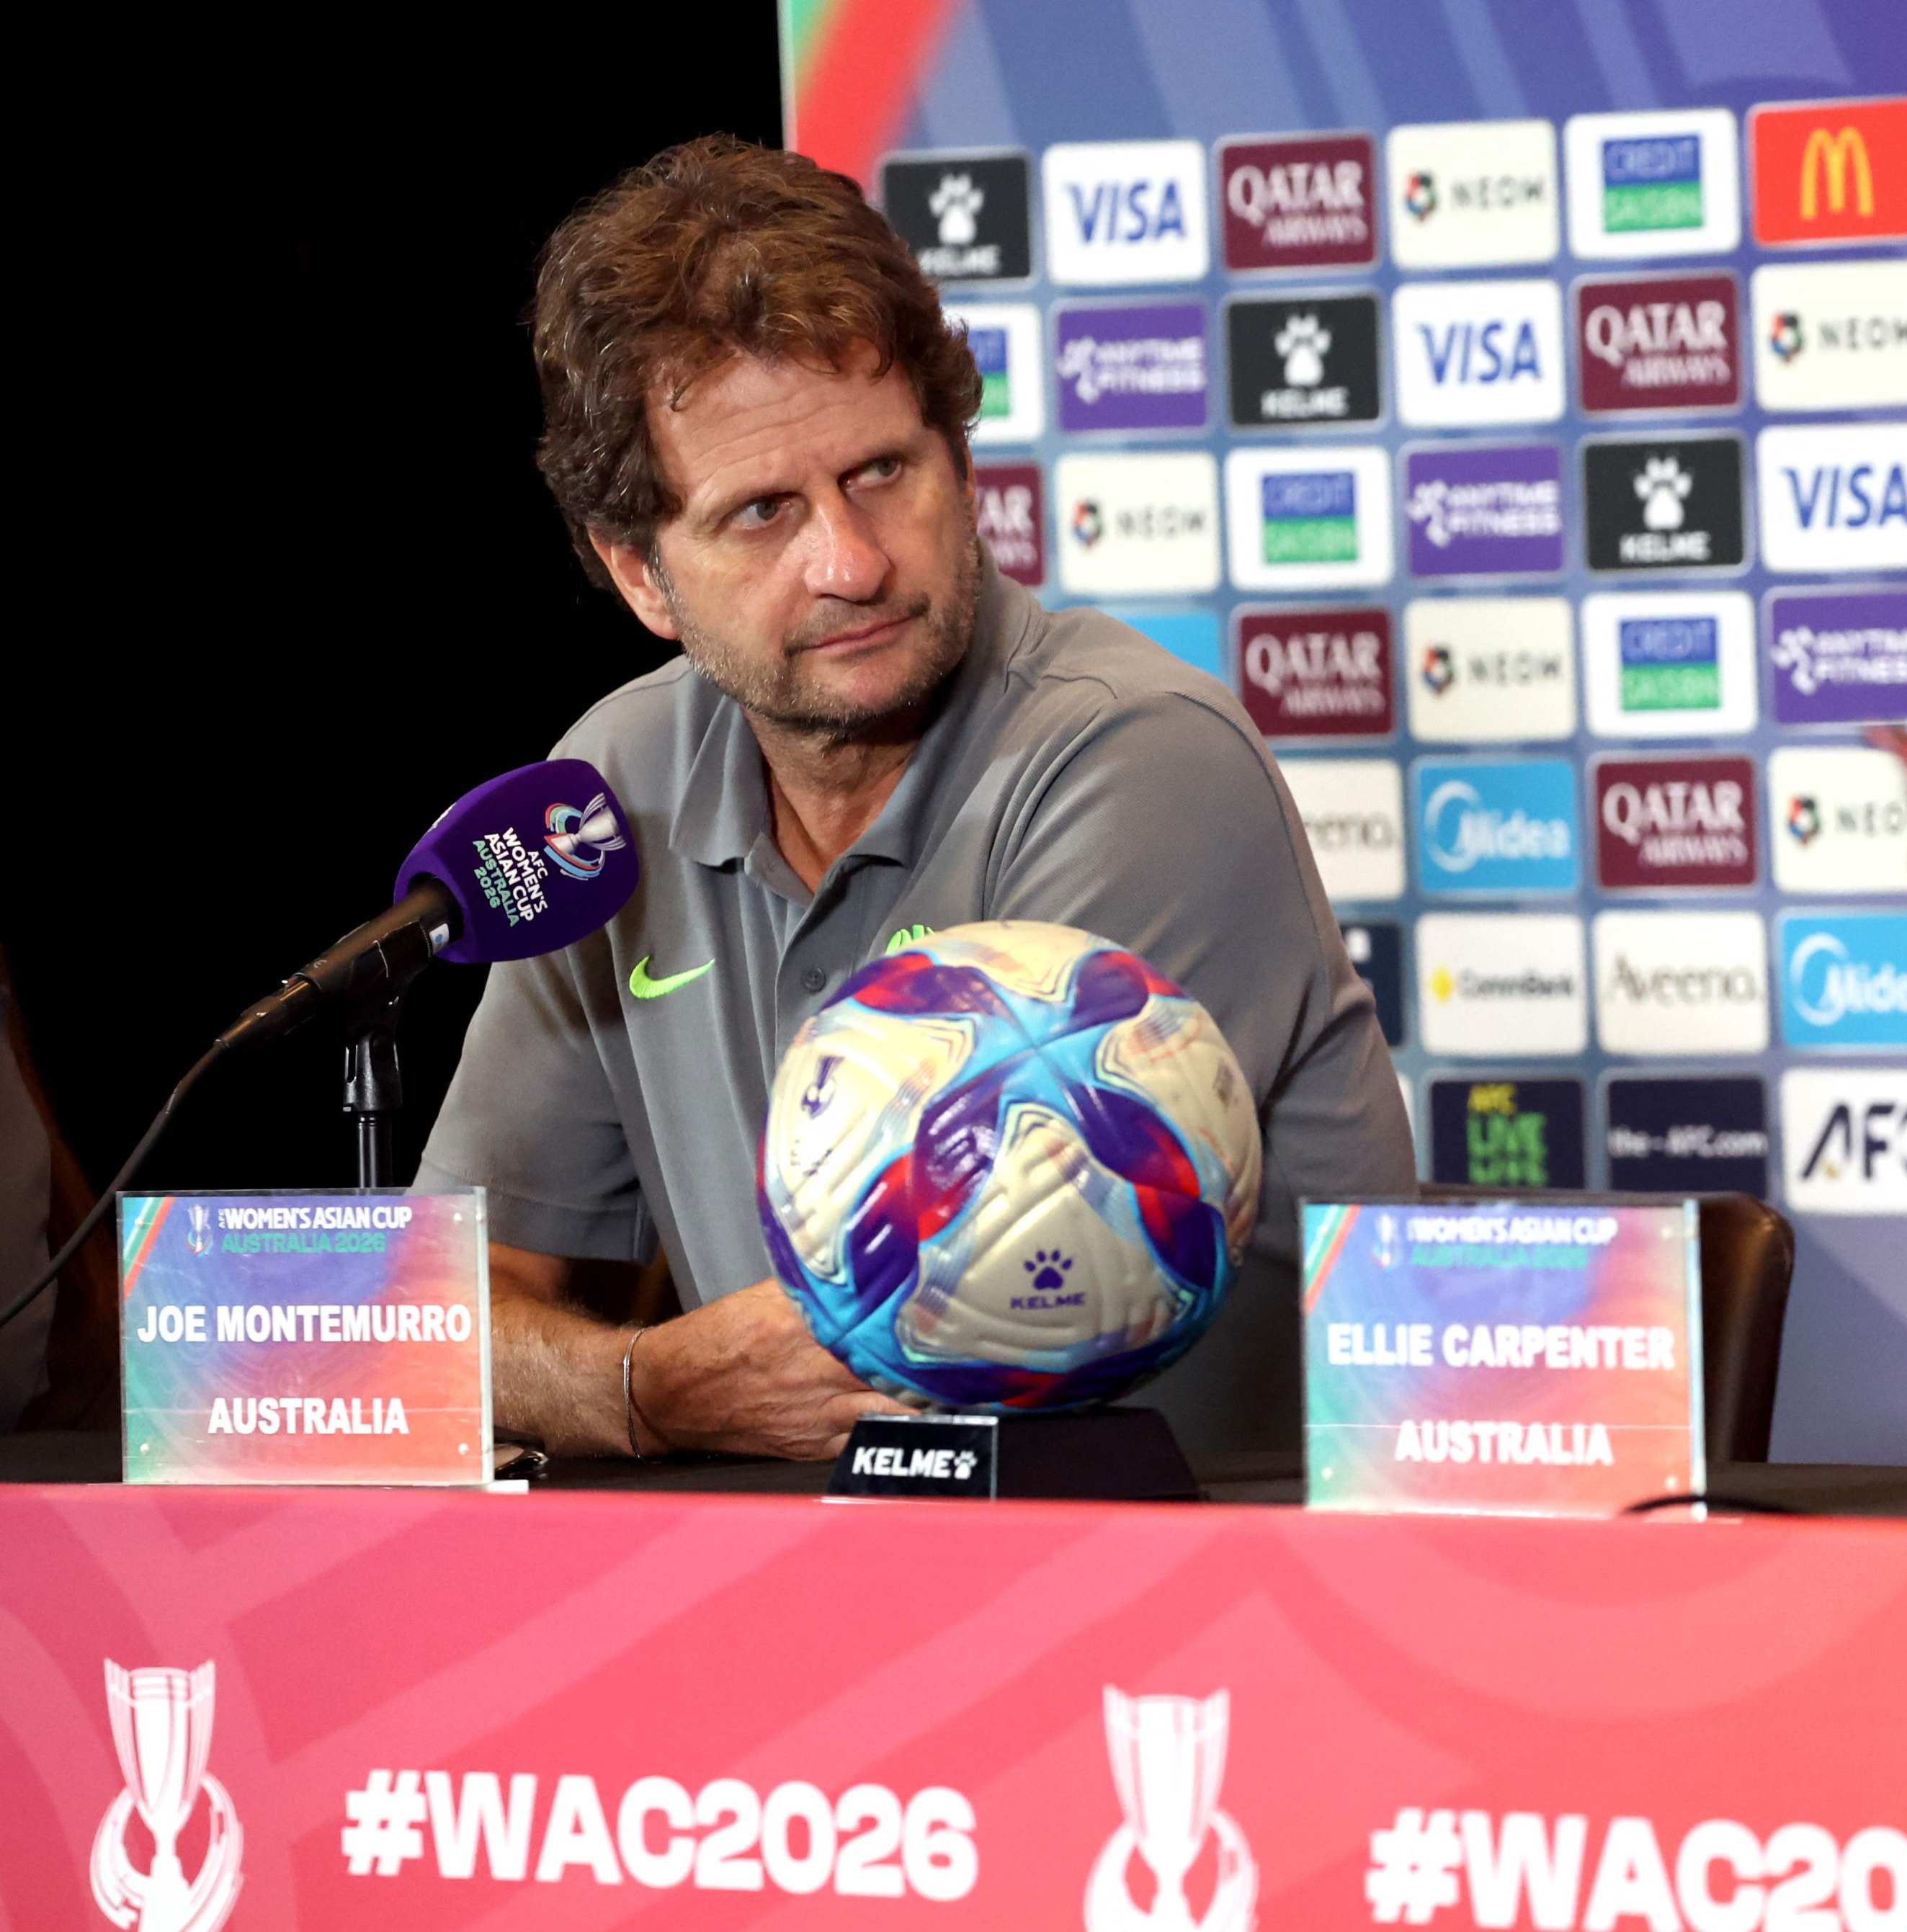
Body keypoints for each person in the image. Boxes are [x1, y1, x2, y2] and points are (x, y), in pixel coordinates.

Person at [417, 138, 1413, 1463]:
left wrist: (633, 1385)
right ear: (642, 576)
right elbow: (441, 1311)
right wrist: (642, 1387)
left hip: (1222, 1595)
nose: (851, 559)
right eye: (763, 512)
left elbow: (975, 1324)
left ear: (958, 457)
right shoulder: (609, 800)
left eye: (883, 470)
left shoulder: (1137, 759)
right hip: (866, 1591)